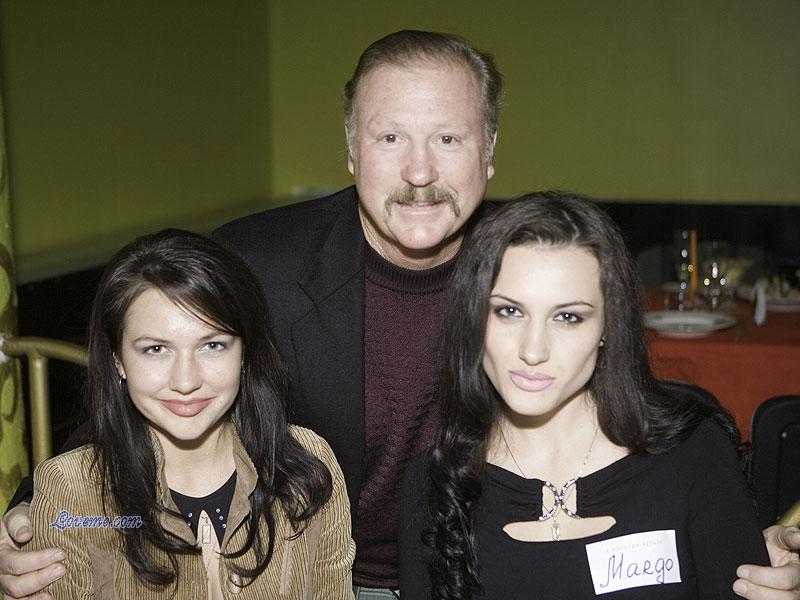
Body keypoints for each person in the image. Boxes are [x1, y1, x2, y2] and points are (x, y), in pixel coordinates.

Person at [2, 29, 799, 600]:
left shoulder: (537, 263)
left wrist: (739, 544)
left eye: (448, 138)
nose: (420, 172)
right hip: (298, 574)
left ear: (490, 151)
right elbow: (147, 389)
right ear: (352, 149)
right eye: (391, 137)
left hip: (490, 571)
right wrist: (35, 519)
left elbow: (635, 413)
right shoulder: (259, 262)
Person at [399, 191, 771, 598]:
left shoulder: (695, 457)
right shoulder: (435, 485)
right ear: (473, 317)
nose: (533, 350)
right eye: (509, 311)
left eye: (568, 317)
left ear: (608, 327)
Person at [24, 229, 354, 598]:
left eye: (212, 345)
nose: (186, 381)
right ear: (118, 360)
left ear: (244, 352)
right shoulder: (72, 492)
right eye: (156, 349)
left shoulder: (307, 467)